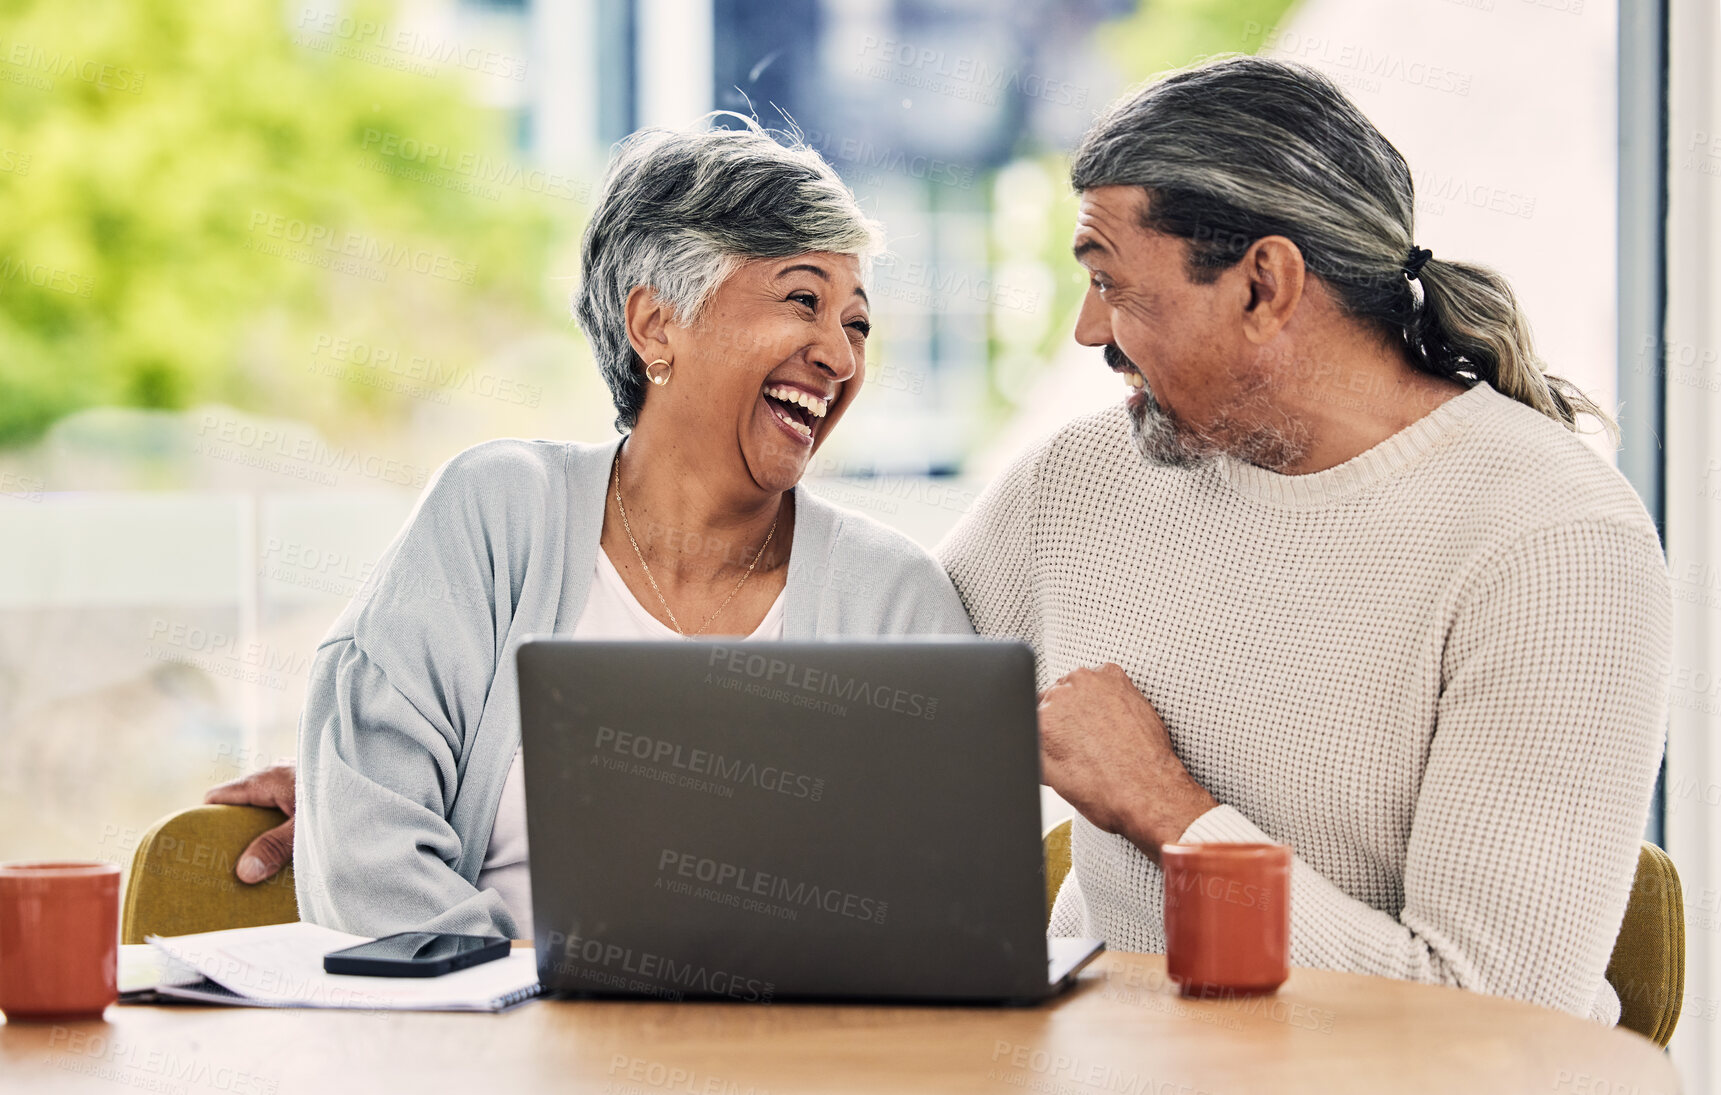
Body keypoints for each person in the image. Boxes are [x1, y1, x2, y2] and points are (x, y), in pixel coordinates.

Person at [937, 55, 1667, 1024]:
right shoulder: (1080, 479)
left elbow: (1491, 1019)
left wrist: (1168, 813)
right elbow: (880, 718)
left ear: (1263, 284)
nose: (1086, 330)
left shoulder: (1554, 545)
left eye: (1112, 284)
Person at [209, 118, 973, 940]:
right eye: (802, 301)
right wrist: (545, 1026)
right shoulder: (496, 514)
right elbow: (365, 848)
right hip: (493, 1050)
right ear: (654, 324)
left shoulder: (894, 597)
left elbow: (953, 909)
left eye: (856, 323)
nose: (840, 355)